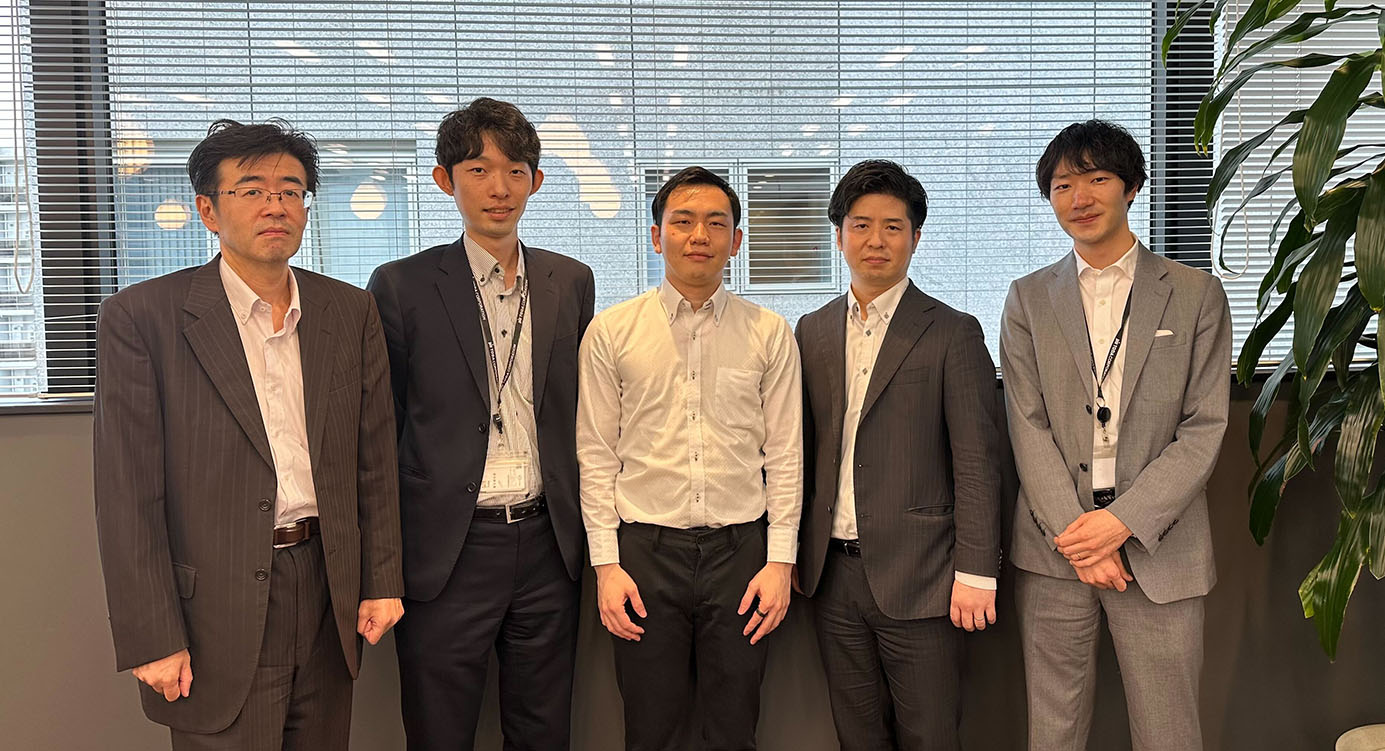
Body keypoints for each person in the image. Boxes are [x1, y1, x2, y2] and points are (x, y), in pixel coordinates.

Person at [93, 118, 404, 750]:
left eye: (292, 190)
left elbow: (373, 458)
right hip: (214, 602)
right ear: (207, 209)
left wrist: (382, 577)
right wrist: (153, 635)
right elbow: (127, 494)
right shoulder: (143, 317)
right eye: (253, 189)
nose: (276, 205)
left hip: (326, 585)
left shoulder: (349, 310)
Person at [367, 97, 595, 751]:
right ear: (445, 180)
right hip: (446, 547)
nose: (499, 187)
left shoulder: (569, 280)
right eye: (477, 169)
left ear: (536, 181)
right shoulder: (401, 285)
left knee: (543, 726)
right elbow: (384, 430)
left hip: (548, 543)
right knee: (440, 731)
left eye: (516, 170)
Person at [1000, 119, 1231, 751]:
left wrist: (1122, 522)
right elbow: (1028, 425)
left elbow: (1204, 428)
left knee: (1169, 733)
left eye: (1097, 179)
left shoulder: (1195, 294)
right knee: (1053, 731)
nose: (1079, 197)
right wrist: (1083, 540)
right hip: (1055, 548)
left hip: (1161, 547)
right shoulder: (1026, 299)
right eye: (1063, 184)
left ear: (1131, 186)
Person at [577, 166, 803, 750]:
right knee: (651, 730)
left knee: (735, 728)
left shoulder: (770, 332)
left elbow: (784, 452)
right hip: (644, 556)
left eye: (715, 222)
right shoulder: (611, 332)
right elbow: (596, 454)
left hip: (742, 556)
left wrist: (780, 562)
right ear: (656, 236)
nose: (698, 234)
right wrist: (606, 564)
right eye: (682, 221)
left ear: (736, 239)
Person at [794, 159, 1003, 750]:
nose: (875, 240)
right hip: (831, 573)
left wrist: (977, 570)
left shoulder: (952, 331)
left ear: (916, 236)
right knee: (856, 735)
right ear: (839, 235)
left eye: (893, 226)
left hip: (926, 576)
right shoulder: (811, 329)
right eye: (860, 225)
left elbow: (978, 463)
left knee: (930, 735)